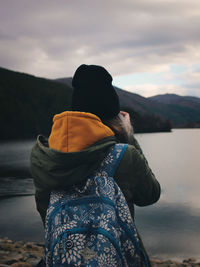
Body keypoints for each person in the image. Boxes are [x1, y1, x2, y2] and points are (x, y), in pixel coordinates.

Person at [30, 64, 161, 266]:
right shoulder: (125, 155)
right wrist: (128, 137)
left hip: (64, 258)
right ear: (112, 111)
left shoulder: (44, 157)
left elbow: (46, 216)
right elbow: (151, 195)